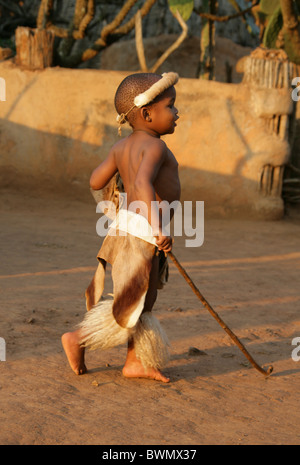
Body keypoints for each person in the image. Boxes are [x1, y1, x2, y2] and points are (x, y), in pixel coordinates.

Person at [62, 72, 180, 383]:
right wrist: (156, 229)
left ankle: (135, 361)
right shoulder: (155, 148)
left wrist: (115, 210)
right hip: (142, 234)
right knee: (131, 300)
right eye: (171, 106)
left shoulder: (121, 147)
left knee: (144, 297)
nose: (177, 113)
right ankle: (79, 338)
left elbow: (95, 181)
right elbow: (141, 183)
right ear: (147, 113)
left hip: (128, 229)